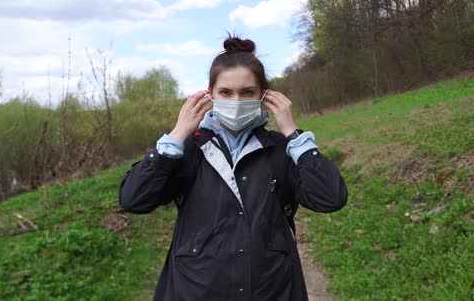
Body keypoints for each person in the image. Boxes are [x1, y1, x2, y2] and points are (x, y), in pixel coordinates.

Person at [119, 35, 348, 301]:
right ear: (209, 94)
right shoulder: (186, 150)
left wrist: (294, 135)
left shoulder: (280, 150)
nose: (236, 101)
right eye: (226, 92)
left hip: (272, 289)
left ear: (264, 95)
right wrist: (178, 133)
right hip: (194, 290)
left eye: (247, 92)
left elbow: (331, 198)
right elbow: (133, 199)